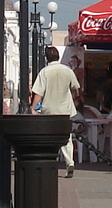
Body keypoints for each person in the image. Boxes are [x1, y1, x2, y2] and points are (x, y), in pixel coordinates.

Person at [31, 46, 81, 176]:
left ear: (46, 58)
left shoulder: (45, 72)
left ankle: (50, 161)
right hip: (66, 109)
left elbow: (38, 93)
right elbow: (76, 87)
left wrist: (33, 107)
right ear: (58, 56)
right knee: (67, 137)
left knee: (50, 137)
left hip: (50, 109)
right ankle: (69, 162)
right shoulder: (67, 70)